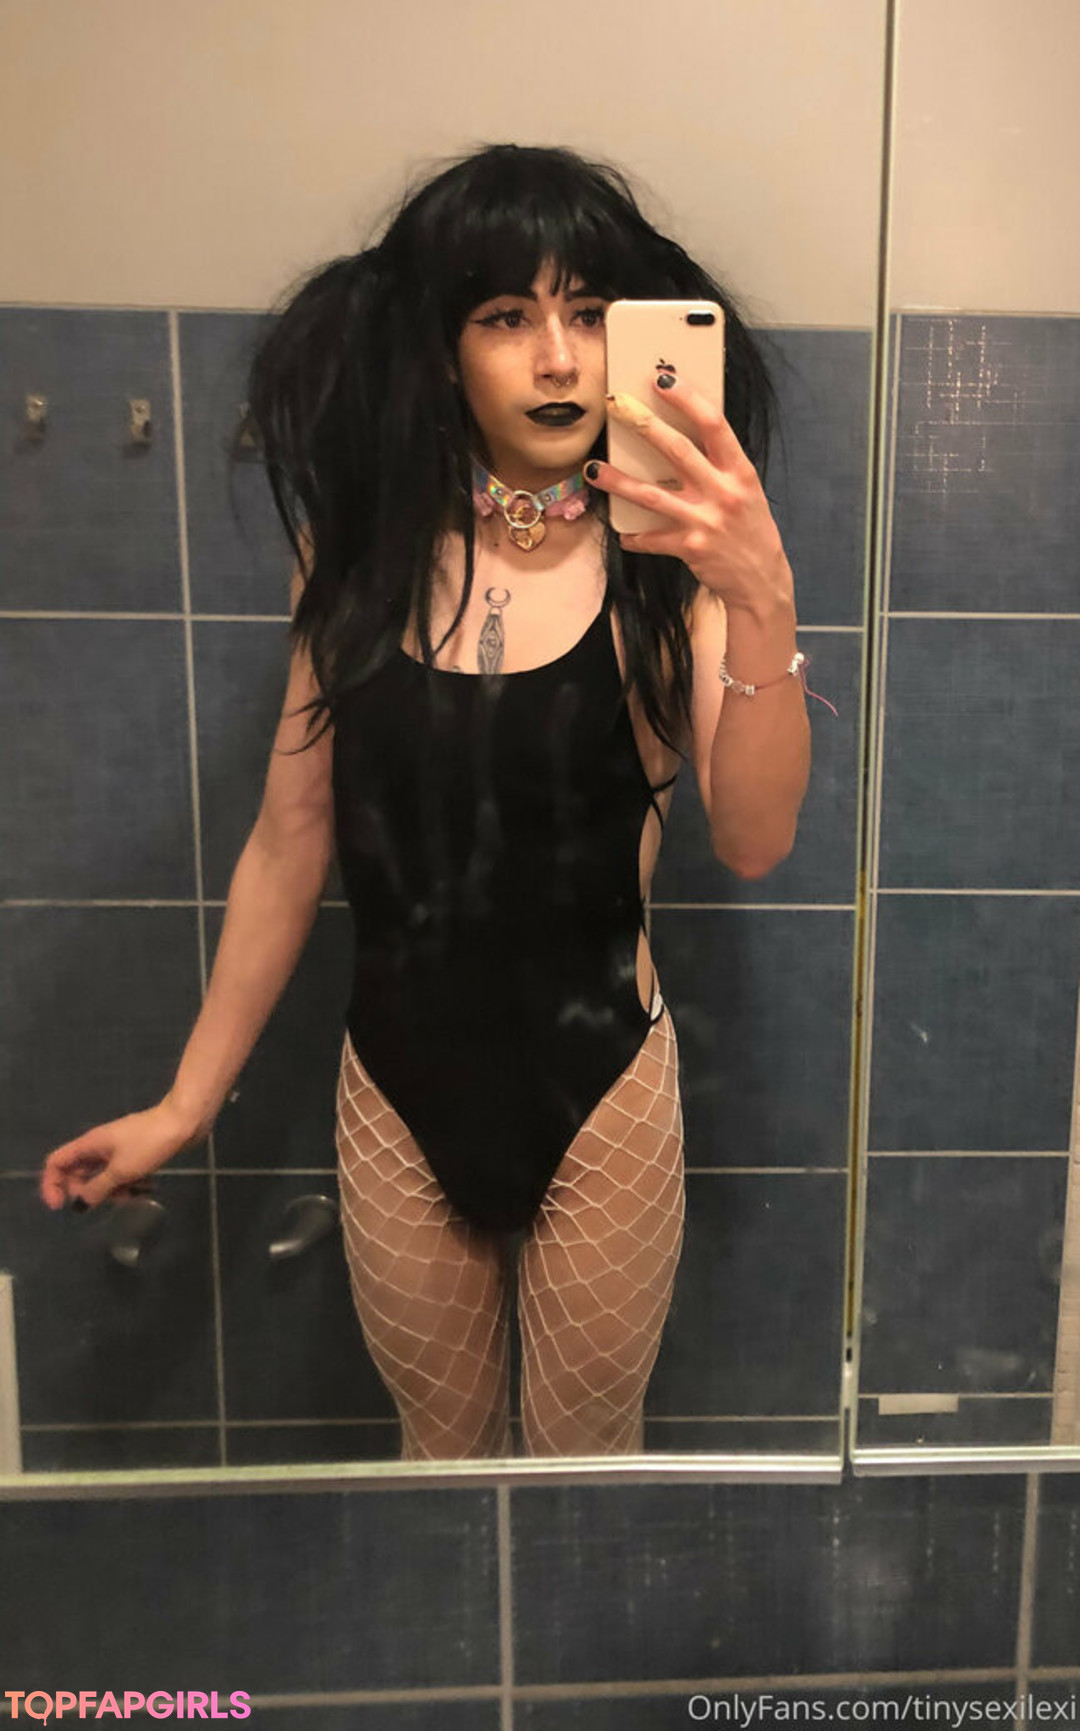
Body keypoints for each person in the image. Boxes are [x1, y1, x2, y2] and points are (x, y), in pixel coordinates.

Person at [39, 143, 824, 1461]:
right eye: (508, 316)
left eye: (589, 312)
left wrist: (764, 600)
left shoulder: (666, 574)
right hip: (396, 1089)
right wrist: (184, 1105)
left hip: (606, 1088)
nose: (559, 357)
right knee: (436, 1475)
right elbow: (291, 840)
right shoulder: (357, 562)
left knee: (587, 1470)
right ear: (443, 348)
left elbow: (753, 839)